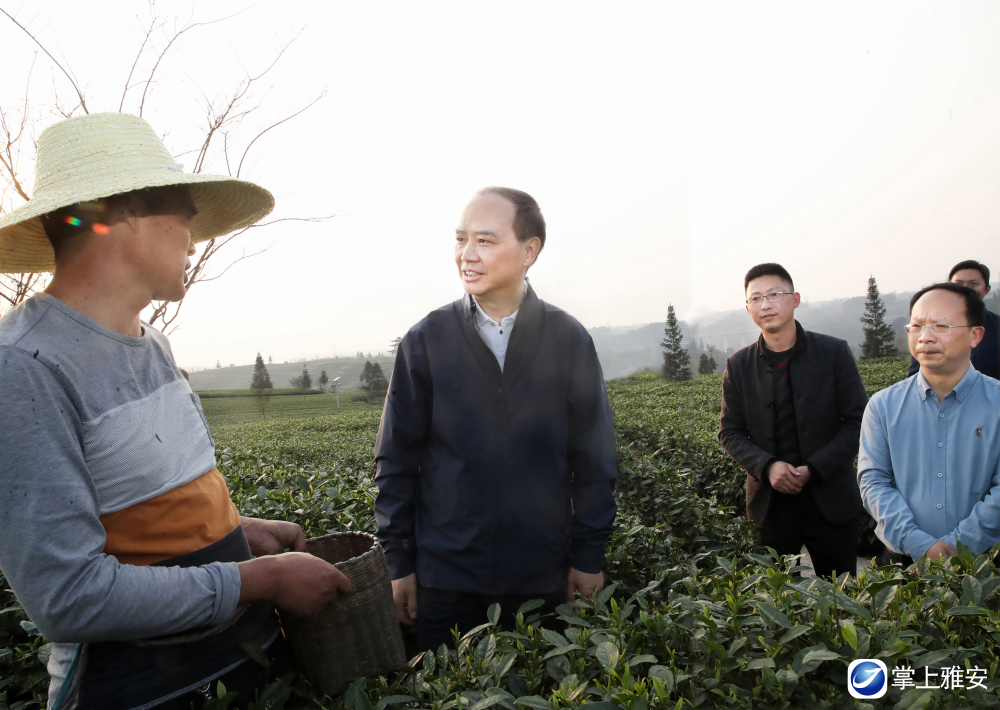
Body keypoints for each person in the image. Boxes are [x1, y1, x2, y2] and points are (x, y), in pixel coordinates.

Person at [0, 113, 351, 709]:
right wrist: (255, 579)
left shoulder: (154, 344)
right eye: (186, 215)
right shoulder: (26, 367)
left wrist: (234, 535)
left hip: (249, 663)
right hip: (144, 690)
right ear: (127, 213)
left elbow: (145, 517)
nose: (195, 237)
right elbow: (67, 597)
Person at [374, 187, 618, 651]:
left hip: (544, 576)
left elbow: (594, 460)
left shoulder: (568, 339)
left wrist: (588, 557)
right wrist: (398, 563)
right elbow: (396, 462)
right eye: (461, 239)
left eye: (485, 241)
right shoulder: (426, 341)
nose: (467, 255)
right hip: (446, 579)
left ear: (530, 250)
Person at [719, 263, 869, 579]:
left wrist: (814, 468)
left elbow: (858, 421)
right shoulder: (739, 365)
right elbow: (729, 432)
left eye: (775, 294)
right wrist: (768, 466)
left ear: (795, 298)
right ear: (748, 309)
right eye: (756, 298)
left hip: (830, 501)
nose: (766, 304)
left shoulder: (833, 352)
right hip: (770, 508)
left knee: (841, 600)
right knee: (777, 604)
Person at [859, 282, 1000, 566]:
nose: (925, 337)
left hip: (986, 565)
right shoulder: (883, 406)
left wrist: (959, 544)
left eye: (941, 326)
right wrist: (919, 543)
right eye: (917, 326)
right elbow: (873, 481)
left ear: (975, 335)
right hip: (901, 562)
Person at [907, 260, 1000, 380]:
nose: (966, 289)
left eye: (973, 283)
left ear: (987, 289)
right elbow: (916, 374)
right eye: (959, 284)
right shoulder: (929, 332)